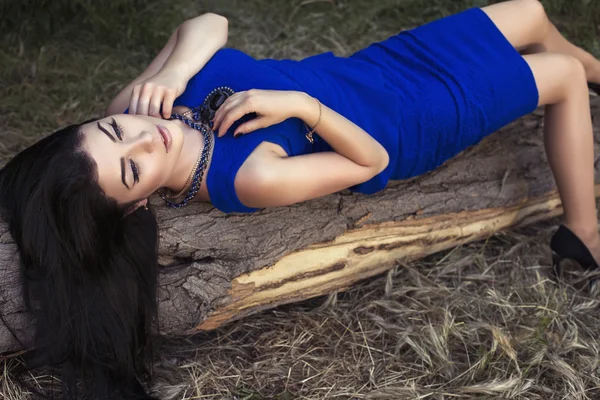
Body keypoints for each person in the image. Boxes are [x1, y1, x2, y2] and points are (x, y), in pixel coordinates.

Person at [1, 1, 600, 398]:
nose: (141, 139)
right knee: (561, 78)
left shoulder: (139, 108)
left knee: (531, 11)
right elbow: (372, 162)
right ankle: (582, 230)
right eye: (133, 169)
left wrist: (176, 71)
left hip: (376, 67)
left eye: (110, 132)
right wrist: (303, 109)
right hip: (409, 118)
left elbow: (209, 22)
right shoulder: (249, 177)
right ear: (135, 206)